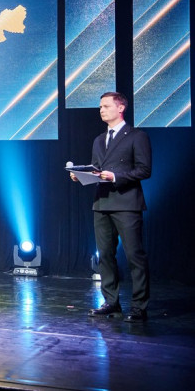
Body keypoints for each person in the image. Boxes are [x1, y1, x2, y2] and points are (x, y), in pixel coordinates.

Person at [71, 91, 151, 322]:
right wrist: (81, 175)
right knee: (105, 255)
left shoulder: (137, 136)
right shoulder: (99, 140)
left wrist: (115, 176)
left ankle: (139, 306)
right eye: (100, 107)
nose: (101, 110)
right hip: (102, 203)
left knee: (134, 255)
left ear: (120, 108)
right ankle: (111, 303)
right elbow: (97, 170)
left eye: (106, 106)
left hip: (127, 203)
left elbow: (144, 170)